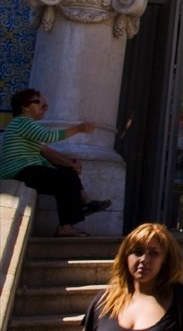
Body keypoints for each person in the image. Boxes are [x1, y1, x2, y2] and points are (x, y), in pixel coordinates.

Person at [0, 88, 109, 237]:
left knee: (67, 173)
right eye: (38, 102)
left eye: (45, 104)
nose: (43, 107)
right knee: (64, 179)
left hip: (28, 170)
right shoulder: (22, 122)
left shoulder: (25, 127)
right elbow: (50, 136)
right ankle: (73, 216)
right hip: (20, 172)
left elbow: (44, 154)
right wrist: (78, 129)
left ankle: (81, 204)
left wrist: (69, 164)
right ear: (25, 107)